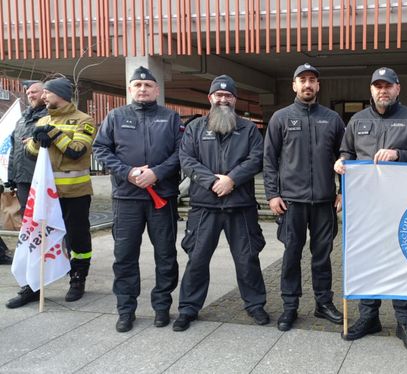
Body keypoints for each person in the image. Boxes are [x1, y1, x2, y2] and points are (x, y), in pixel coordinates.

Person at [333, 67, 407, 352]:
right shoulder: (357, 120)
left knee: (402, 264)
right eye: (377, 86)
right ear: (371, 90)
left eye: (388, 85)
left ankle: (405, 323)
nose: (382, 90)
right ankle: (369, 318)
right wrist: (341, 164)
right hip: (365, 209)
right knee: (367, 262)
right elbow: (347, 153)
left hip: (402, 208)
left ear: (397, 89)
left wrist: (399, 154)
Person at [175, 75, 268, 332]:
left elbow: (256, 158)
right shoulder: (195, 128)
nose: (223, 99)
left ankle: (255, 305)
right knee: (197, 259)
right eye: (219, 95)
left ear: (235, 99)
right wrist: (211, 181)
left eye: (228, 96)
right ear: (210, 98)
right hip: (205, 206)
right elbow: (186, 159)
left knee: (247, 258)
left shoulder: (249, 129)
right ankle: (188, 308)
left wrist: (232, 180)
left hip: (240, 206)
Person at [93, 66, 182, 333]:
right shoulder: (115, 116)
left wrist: (157, 173)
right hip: (126, 198)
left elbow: (183, 152)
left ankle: (162, 306)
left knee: (166, 255)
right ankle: (126, 310)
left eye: (148, 85)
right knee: (124, 256)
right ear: (130, 90)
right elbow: (100, 149)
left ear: (157, 89)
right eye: (137, 85)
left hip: (162, 198)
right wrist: (128, 172)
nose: (142, 89)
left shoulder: (170, 118)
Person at [263, 63, 346, 332]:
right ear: (294, 85)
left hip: (324, 202)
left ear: (318, 86)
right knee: (291, 255)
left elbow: (346, 158)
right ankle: (290, 306)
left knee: (322, 256)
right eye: (302, 80)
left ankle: (323, 303)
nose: (308, 84)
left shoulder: (332, 119)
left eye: (312, 80)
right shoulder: (280, 118)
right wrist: (273, 194)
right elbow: (269, 160)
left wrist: (343, 191)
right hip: (291, 203)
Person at [6, 77, 97, 309]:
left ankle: (78, 278)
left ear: (61, 94)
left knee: (77, 238)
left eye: (47, 92)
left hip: (75, 192)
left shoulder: (84, 120)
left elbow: (77, 151)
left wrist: (54, 134)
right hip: (46, 195)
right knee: (37, 239)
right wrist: (37, 140)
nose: (43, 96)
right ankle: (33, 285)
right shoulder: (43, 119)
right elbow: (30, 152)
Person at [0, 80, 46, 266]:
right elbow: (14, 150)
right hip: (22, 180)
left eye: (35, 92)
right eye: (28, 93)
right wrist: (11, 178)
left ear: (45, 93)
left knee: (47, 219)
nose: (31, 95)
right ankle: (35, 254)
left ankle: (55, 255)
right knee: (29, 220)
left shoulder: (49, 117)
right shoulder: (22, 119)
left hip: (42, 179)